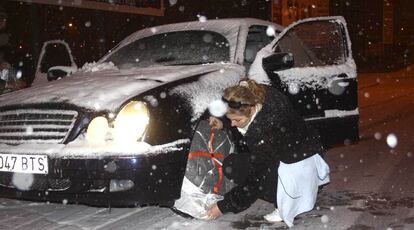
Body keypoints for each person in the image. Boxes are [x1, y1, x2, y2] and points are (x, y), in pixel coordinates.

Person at [204, 79, 330, 227]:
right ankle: (308, 188)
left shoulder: (267, 130)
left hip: (296, 166)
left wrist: (224, 206)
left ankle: (289, 201)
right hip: (308, 153)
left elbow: (256, 178)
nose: (232, 124)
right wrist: (224, 122)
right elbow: (237, 111)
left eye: (236, 120)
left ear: (251, 110)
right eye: (230, 119)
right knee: (256, 163)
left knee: (234, 165)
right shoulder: (256, 93)